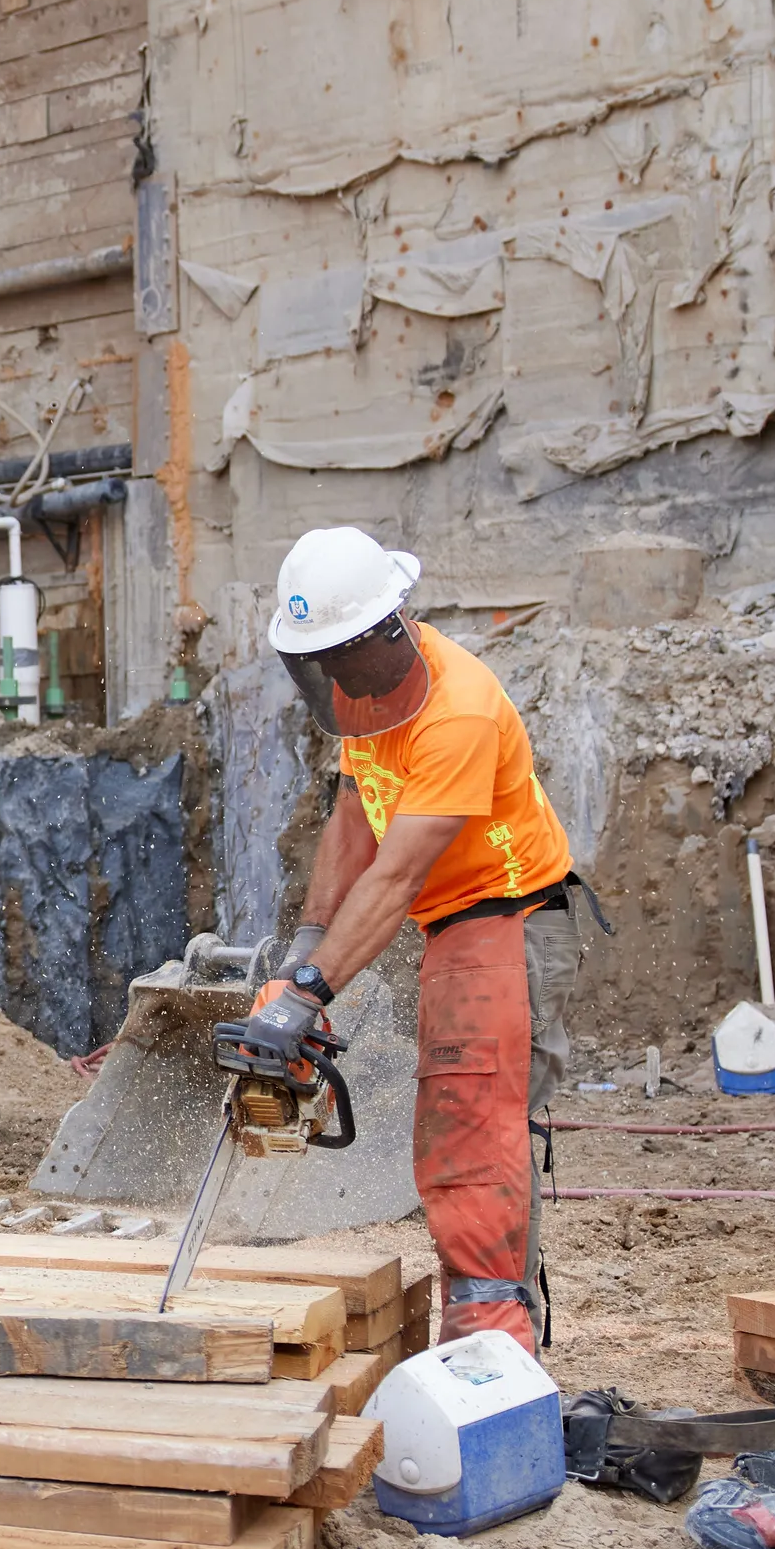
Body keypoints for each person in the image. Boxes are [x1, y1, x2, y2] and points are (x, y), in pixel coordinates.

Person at [227, 527, 588, 1354]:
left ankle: (494, 1343)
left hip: (510, 915)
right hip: (453, 919)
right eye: (320, 665)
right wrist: (305, 952)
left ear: (383, 633)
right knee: (462, 1121)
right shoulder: (367, 695)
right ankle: (487, 1326)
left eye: (340, 660)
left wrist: (308, 995)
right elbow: (354, 820)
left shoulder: (457, 712)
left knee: (473, 1121)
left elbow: (394, 877)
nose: (334, 682)